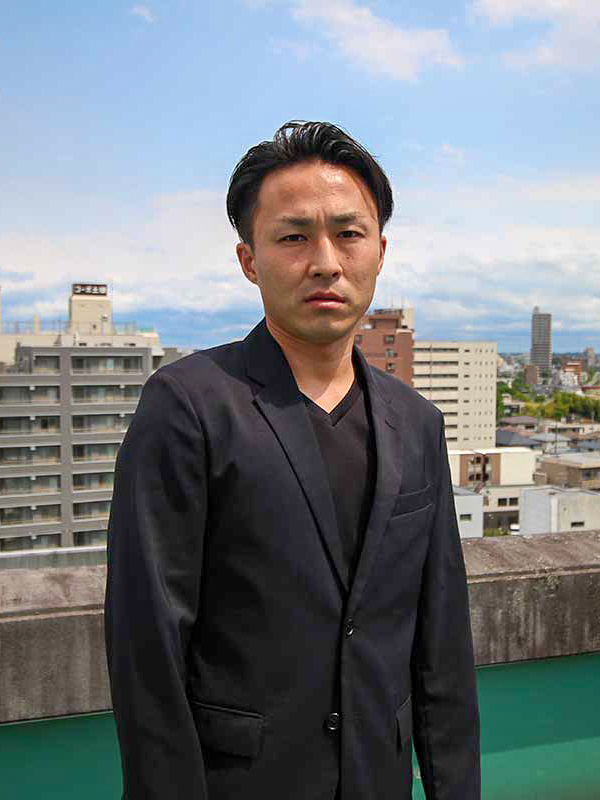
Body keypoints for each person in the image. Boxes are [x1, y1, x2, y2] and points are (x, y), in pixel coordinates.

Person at [104, 120, 480, 800]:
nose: (326, 262)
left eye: (349, 233)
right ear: (249, 259)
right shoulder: (189, 406)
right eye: (294, 237)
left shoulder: (416, 422)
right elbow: (147, 646)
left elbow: (442, 642)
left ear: (380, 251)